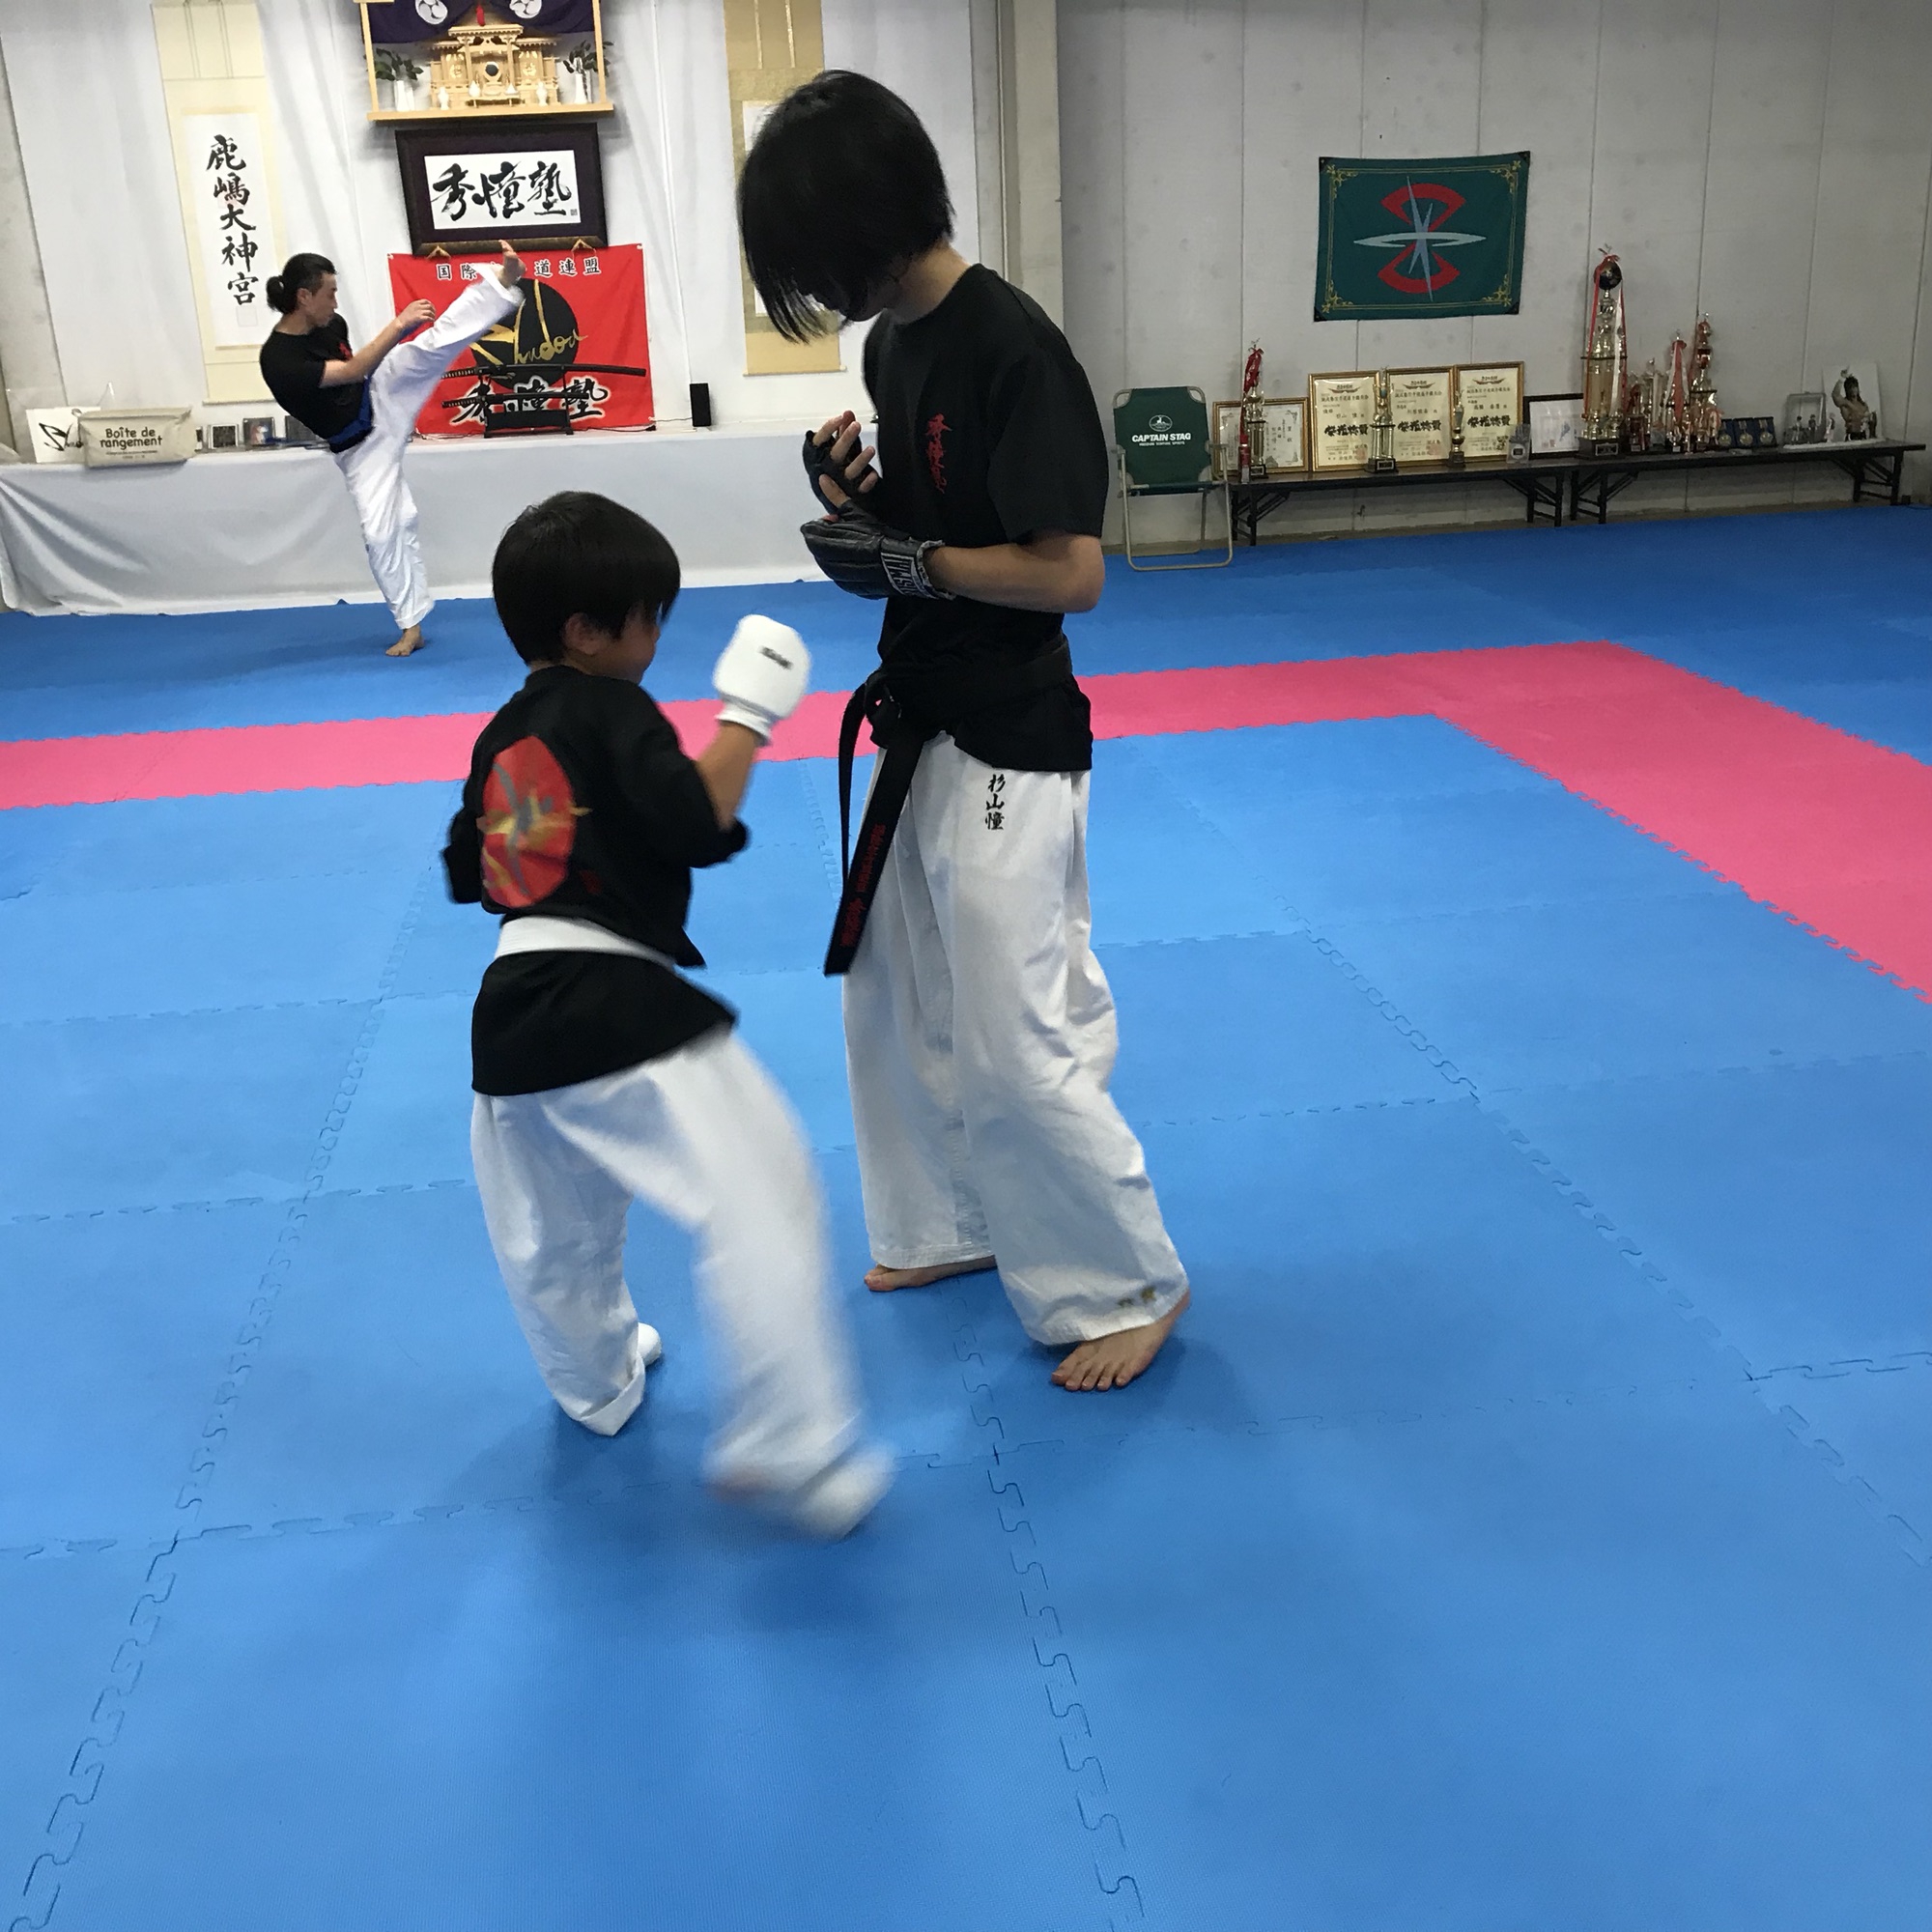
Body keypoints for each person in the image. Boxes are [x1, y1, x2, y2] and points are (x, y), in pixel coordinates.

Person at [737, 71, 1189, 1394]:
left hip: (1010, 727)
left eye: (814, 261)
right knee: (895, 990)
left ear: (867, 226)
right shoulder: (892, 345)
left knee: (1009, 1025)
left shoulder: (1014, 348)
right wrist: (860, 506)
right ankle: (950, 1222)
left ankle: (1129, 1281)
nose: (816, 293)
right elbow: (936, 519)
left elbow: (1070, 572)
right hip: (920, 708)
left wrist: (918, 562)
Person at [441, 490, 891, 1538]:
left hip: (508, 1019)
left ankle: (595, 1385)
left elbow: (472, 869)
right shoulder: (610, 707)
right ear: (585, 631)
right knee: (764, 1191)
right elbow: (695, 818)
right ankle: (791, 1443)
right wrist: (749, 712)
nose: (654, 638)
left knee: (555, 1231)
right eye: (647, 618)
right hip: (612, 1004)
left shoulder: (501, 736)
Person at [260, 245, 525, 658]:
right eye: (330, 293)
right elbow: (351, 369)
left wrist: (402, 339)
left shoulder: (332, 324)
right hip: (361, 449)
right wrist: (399, 324)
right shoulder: (278, 359)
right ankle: (411, 625)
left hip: (380, 396)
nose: (336, 303)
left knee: (429, 347)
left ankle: (501, 283)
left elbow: (361, 376)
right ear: (303, 297)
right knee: (384, 532)